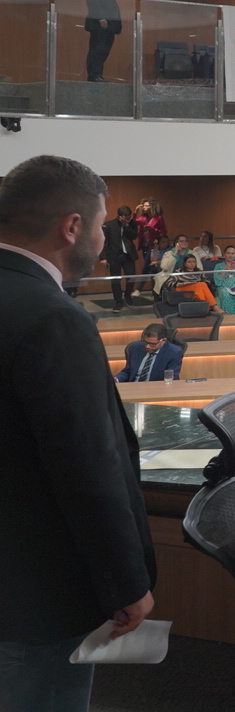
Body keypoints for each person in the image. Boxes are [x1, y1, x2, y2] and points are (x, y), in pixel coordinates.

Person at [0, 155, 156, 709]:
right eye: (101, 225)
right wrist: (126, 583)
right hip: (34, 597)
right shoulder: (54, 317)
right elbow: (88, 467)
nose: (102, 240)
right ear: (72, 227)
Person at [82, 0, 123, 82]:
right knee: (97, 49)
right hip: (100, 24)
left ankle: (98, 75)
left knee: (104, 51)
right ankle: (93, 75)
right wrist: (101, 18)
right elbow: (93, 2)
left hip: (109, 26)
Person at [114, 323, 185, 383]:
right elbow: (128, 372)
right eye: (145, 342)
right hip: (133, 387)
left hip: (157, 390)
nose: (147, 346)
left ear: (163, 340)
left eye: (152, 344)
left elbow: (169, 379)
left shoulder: (174, 353)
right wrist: (116, 379)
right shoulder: (135, 348)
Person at [101, 203, 140, 311]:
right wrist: (103, 257)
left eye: (129, 217)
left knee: (131, 276)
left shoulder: (132, 223)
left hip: (128, 255)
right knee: (115, 279)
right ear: (120, 216)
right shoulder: (109, 225)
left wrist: (126, 226)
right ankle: (118, 301)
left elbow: (134, 236)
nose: (129, 219)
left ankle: (128, 295)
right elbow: (103, 242)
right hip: (114, 255)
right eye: (126, 218)